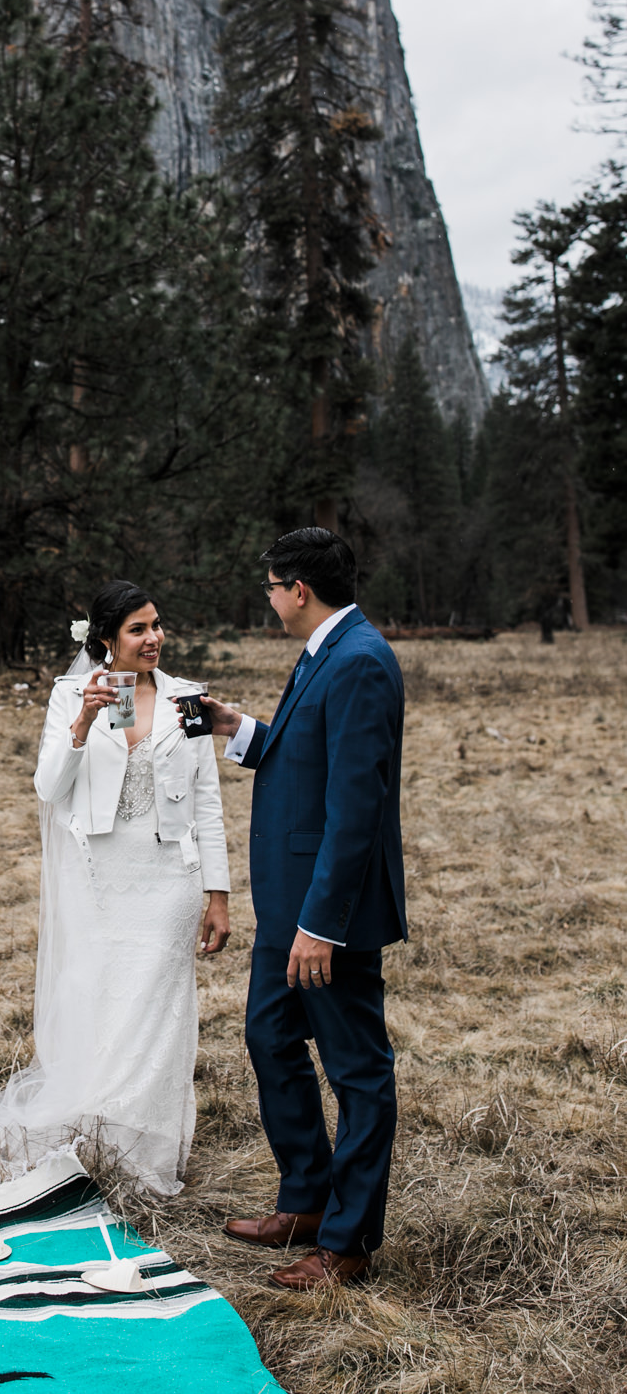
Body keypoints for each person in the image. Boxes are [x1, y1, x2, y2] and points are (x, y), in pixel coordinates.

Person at [0, 580, 231, 1196]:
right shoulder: (66, 696)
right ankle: (91, 1130)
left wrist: (218, 891)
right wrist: (83, 717)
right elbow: (49, 787)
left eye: (157, 625)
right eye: (138, 629)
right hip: (99, 875)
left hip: (171, 879)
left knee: (156, 1011)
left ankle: (142, 1148)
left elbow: (208, 800)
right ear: (105, 641)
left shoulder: (189, 699)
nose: (154, 638)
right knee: (101, 998)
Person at [203, 527, 407, 1291]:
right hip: (287, 906)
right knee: (268, 1037)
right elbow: (306, 749)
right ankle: (307, 1200)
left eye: (270, 585)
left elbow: (356, 805)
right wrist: (238, 729)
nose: (267, 597)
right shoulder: (325, 649)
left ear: (296, 588)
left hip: (329, 914)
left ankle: (347, 1243)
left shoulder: (360, 660)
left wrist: (320, 925)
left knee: (357, 1074)